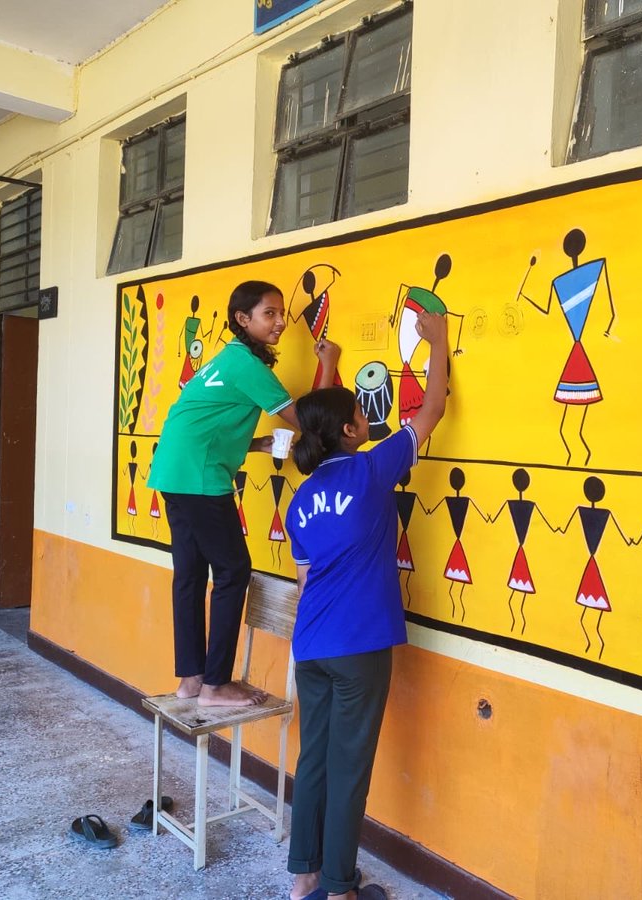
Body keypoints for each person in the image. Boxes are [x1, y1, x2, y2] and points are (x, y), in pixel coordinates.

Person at [285, 311, 449, 900]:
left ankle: (305, 876)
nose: (368, 418)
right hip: (359, 649)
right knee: (350, 769)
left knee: (316, 761)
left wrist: (328, 364)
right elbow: (431, 412)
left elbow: (307, 582)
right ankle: (339, 887)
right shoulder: (371, 469)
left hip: (313, 646)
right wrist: (440, 341)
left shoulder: (299, 501)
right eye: (360, 413)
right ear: (351, 432)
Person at [148, 280, 340, 707]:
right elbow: (307, 419)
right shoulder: (248, 367)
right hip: (198, 479)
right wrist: (328, 365)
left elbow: (205, 423)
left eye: (280, 313)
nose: (279, 322)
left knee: (192, 576)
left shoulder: (228, 361)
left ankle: (192, 681)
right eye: (268, 314)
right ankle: (216, 685)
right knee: (233, 571)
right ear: (243, 319)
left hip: (174, 472)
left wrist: (253, 445)